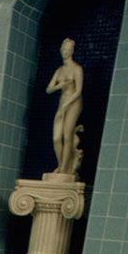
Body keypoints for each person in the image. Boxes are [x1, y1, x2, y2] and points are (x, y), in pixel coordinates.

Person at [46, 37, 83, 177]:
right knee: (56, 138)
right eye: (64, 50)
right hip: (63, 102)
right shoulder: (59, 71)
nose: (65, 52)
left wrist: (67, 104)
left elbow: (78, 91)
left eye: (68, 50)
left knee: (67, 135)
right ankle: (62, 164)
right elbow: (48, 89)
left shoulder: (77, 69)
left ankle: (63, 169)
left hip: (74, 103)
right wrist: (59, 86)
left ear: (72, 51)